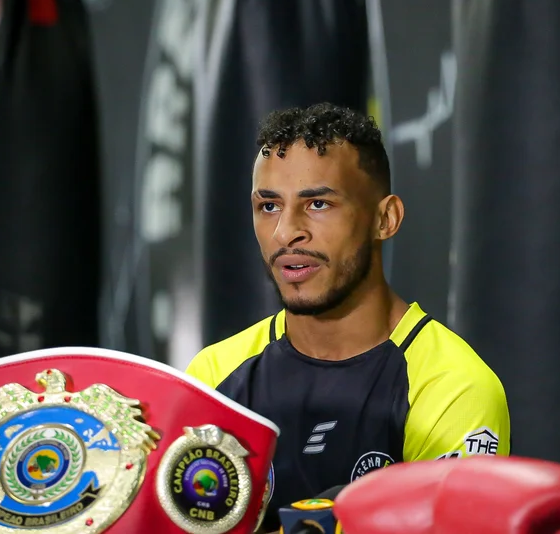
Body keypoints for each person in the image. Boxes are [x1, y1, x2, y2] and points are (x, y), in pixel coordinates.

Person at [185, 103, 511, 532]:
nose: (286, 232)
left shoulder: (451, 387)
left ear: (385, 218)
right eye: (268, 206)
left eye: (317, 203)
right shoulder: (215, 373)